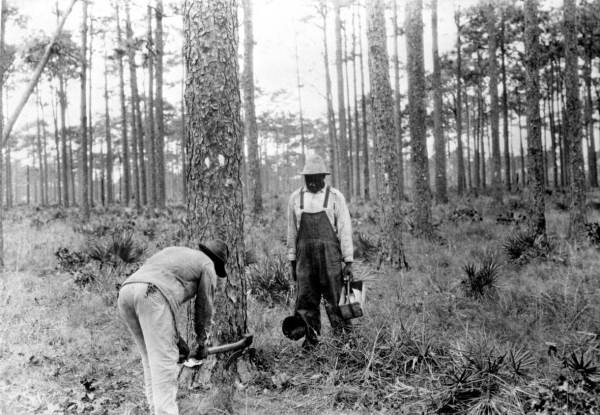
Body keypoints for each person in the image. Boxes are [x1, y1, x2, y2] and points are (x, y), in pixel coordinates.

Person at [117, 240, 229, 415]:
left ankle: (155, 411)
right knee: (164, 364)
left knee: (151, 360)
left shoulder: (176, 252)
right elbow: (204, 307)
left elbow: (164, 299)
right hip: (152, 294)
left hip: (126, 292)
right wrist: (202, 342)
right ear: (218, 262)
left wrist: (177, 340)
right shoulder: (207, 265)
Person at [286, 154, 354, 349]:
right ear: (304, 177)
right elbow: (291, 232)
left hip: (330, 258)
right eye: (310, 178)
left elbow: (345, 229)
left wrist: (348, 261)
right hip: (304, 259)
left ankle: (344, 342)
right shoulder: (295, 198)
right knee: (306, 299)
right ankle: (311, 341)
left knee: (335, 298)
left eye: (318, 177)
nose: (314, 182)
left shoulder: (335, 197)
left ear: (324, 177)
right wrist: (291, 260)